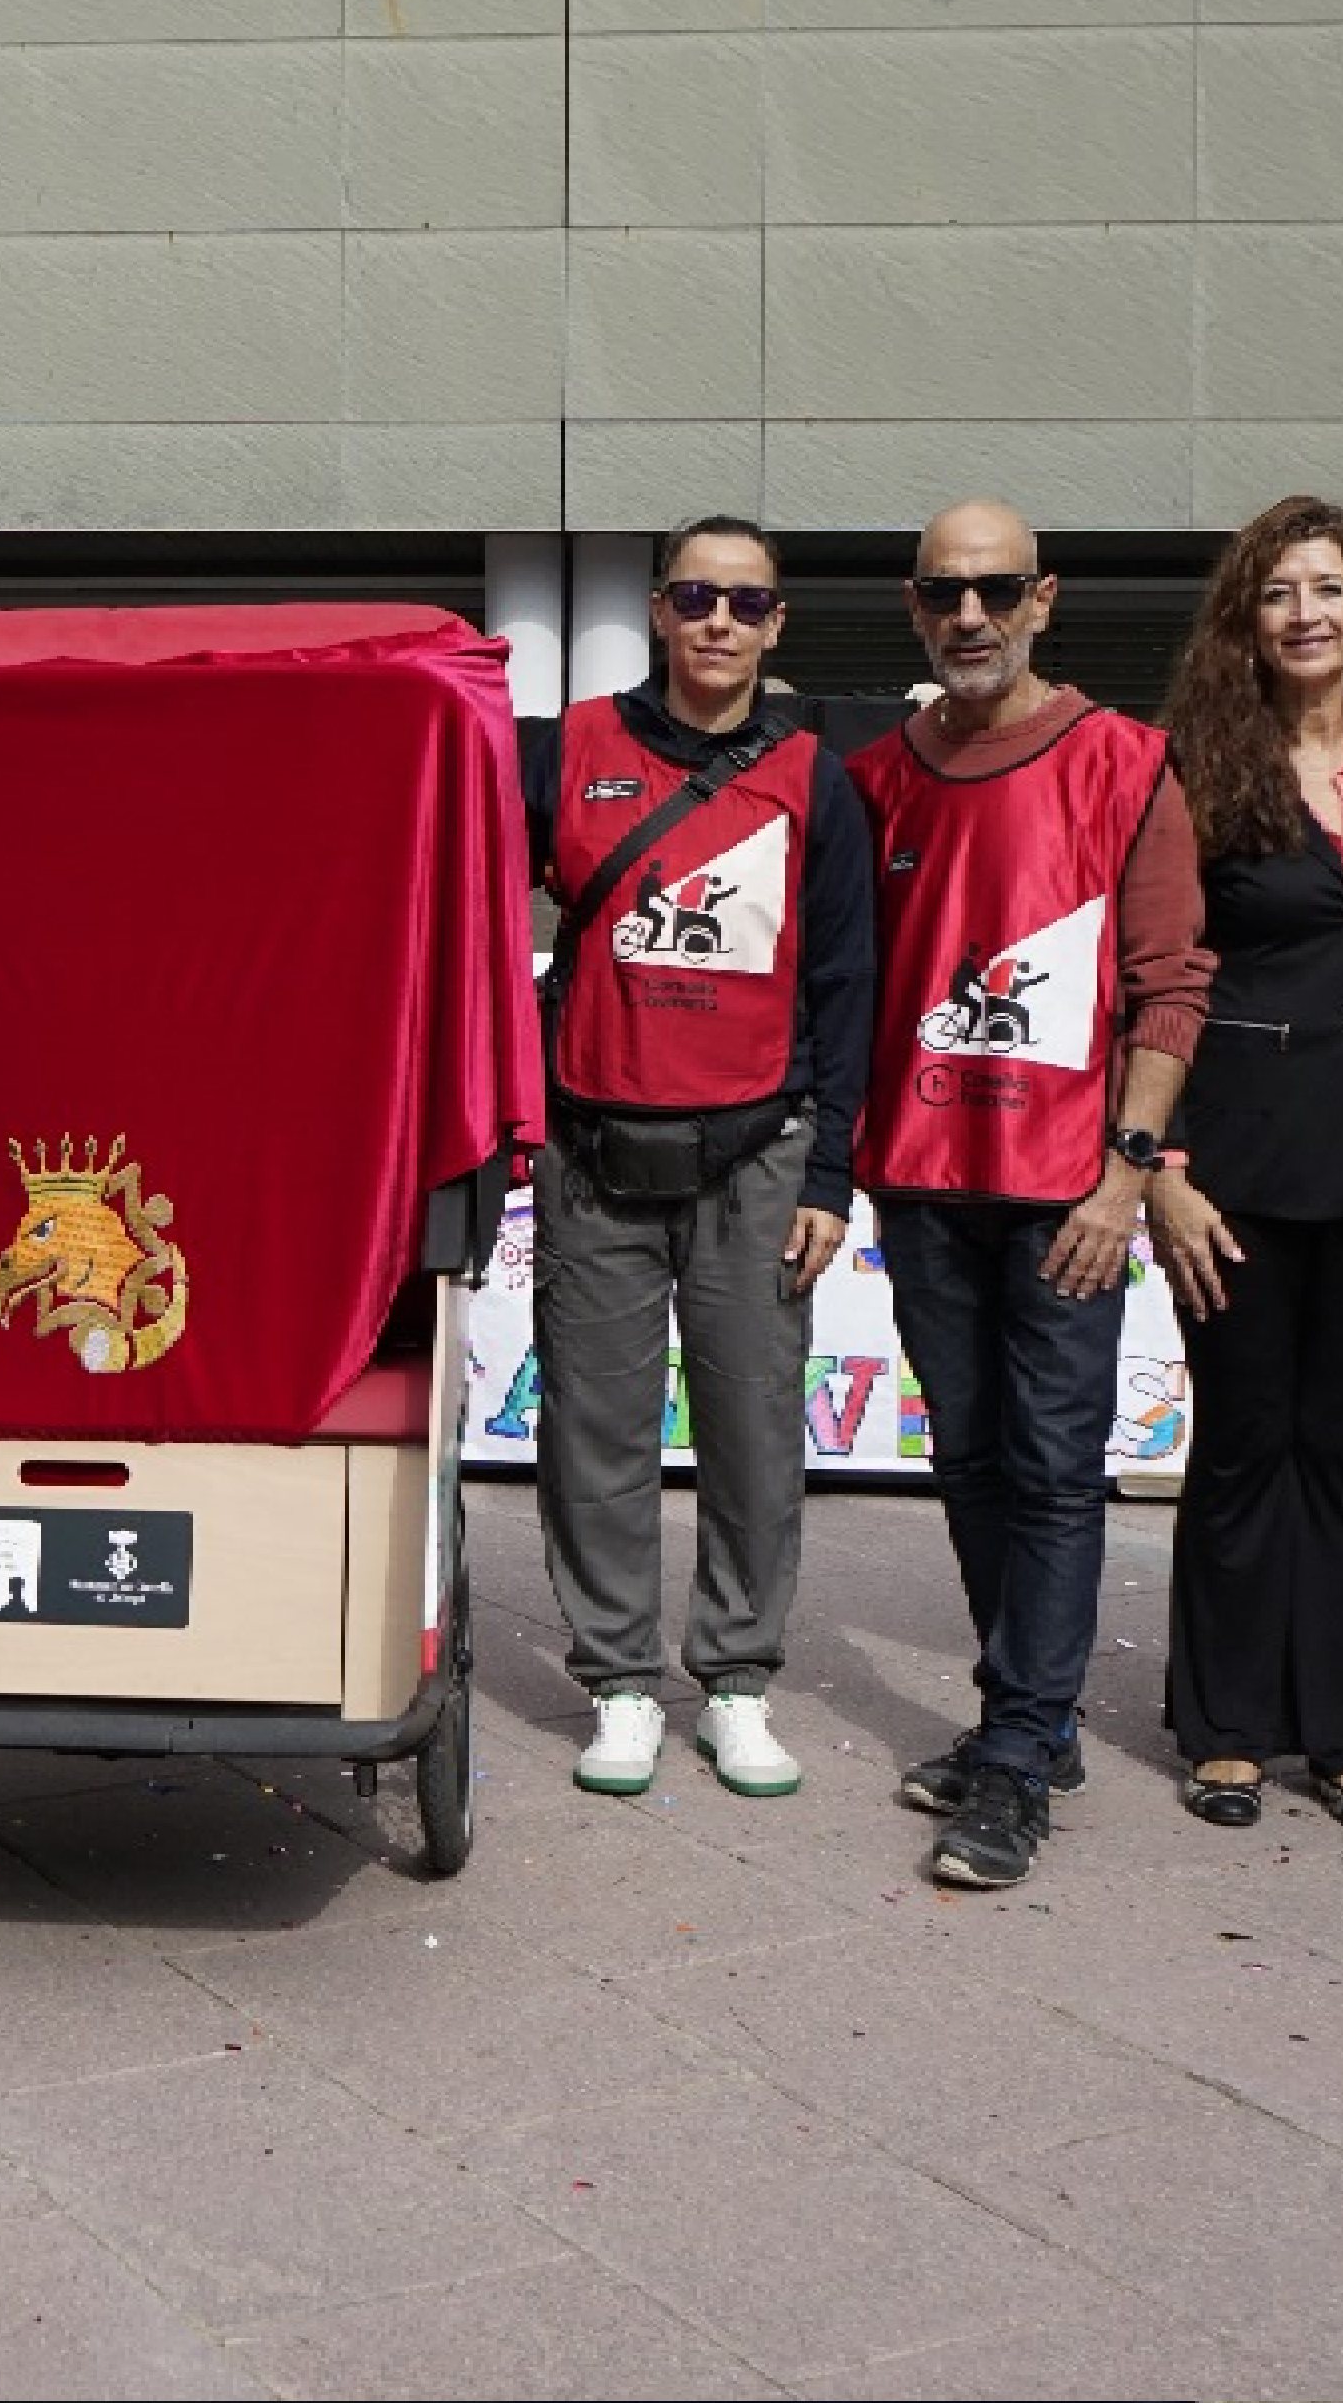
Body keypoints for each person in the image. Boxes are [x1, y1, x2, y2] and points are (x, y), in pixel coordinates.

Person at [848, 502, 1213, 1888]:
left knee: (1054, 1469)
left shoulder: (1127, 762)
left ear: (1045, 599)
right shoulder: (878, 777)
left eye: (997, 589)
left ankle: (1014, 1755)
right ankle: (1034, 1717)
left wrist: (1128, 1175)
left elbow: (1171, 988)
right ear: (913, 605)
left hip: (1070, 1191)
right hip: (923, 1183)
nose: (971, 615)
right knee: (972, 1459)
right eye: (946, 591)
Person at [518, 514, 878, 1798]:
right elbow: (464, 902)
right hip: (593, 1154)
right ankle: (620, 1682)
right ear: (660, 611)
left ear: (778, 624)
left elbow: (847, 983)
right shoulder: (569, 750)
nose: (720, 621)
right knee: (594, 1435)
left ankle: (735, 1682)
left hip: (757, 1160)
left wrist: (830, 1174)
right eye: (696, 597)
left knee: (753, 1437)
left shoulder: (815, 777)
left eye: (747, 602)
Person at [1146, 496, 1343, 1838]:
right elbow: (1157, 972)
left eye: (1329, 588)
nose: (1306, 612)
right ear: (1245, 623)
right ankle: (1226, 1728)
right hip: (1238, 1162)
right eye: (1279, 592)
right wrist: (1163, 1165)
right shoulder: (1196, 769)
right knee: (1243, 1439)